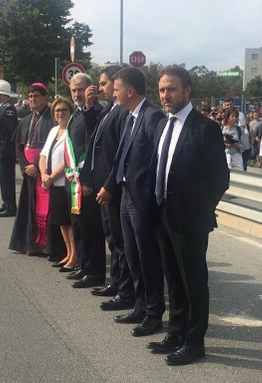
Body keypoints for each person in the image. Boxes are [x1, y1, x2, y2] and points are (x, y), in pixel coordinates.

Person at [147, 65, 229, 365]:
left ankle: (195, 342)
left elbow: (220, 179)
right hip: (162, 215)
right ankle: (177, 332)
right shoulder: (162, 125)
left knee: (193, 282)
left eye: (171, 89)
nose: (165, 95)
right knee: (174, 279)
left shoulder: (205, 128)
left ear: (187, 91)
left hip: (190, 221)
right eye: (161, 89)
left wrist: (199, 212)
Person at [97, 67, 166, 337]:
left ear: (130, 91)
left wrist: (151, 195)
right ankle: (140, 304)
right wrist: (111, 185)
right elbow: (122, 157)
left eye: (116, 89)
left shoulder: (152, 117)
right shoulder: (130, 116)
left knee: (148, 257)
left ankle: (154, 313)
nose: (113, 93)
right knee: (132, 254)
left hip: (142, 199)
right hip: (126, 196)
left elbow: (159, 162)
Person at [79, 65, 133, 302]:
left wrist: (109, 185)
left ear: (116, 83)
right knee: (112, 239)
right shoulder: (109, 109)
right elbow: (95, 142)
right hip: (101, 183)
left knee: (119, 242)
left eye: (103, 84)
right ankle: (117, 283)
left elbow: (120, 154)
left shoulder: (122, 112)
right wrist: (89, 109)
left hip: (113, 187)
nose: (99, 88)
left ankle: (125, 290)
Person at [9, 82, 61, 257]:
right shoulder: (25, 120)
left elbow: (53, 146)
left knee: (48, 209)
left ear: (45, 98)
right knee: (30, 208)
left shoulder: (53, 119)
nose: (32, 99)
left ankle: (48, 246)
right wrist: (26, 166)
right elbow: (19, 146)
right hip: (30, 173)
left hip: (46, 171)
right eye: (30, 97)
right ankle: (33, 244)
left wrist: (37, 165)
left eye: (36, 96)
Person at [64, 73, 105, 288]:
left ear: (91, 88)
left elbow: (94, 148)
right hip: (75, 180)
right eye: (73, 90)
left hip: (89, 181)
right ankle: (83, 265)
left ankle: (95, 271)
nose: (77, 94)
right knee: (79, 225)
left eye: (80, 89)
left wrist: (88, 179)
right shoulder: (76, 114)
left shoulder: (95, 112)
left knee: (91, 228)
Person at [39, 97, 77, 272]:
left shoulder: (71, 130)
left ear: (70, 112)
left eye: (64, 110)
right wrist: (43, 174)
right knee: (61, 221)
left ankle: (74, 255)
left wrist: (51, 176)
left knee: (69, 222)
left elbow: (68, 159)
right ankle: (68, 253)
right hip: (52, 183)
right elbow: (43, 155)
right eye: (57, 111)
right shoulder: (54, 130)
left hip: (65, 183)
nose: (60, 113)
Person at [0, 80, 17, 217]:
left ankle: (11, 206)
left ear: (1, 95)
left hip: (6, 150)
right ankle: (6, 203)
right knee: (3, 178)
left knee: (7, 178)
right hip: (0, 148)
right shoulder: (1, 107)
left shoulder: (8, 109)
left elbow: (12, 131)